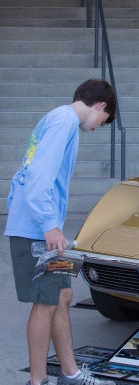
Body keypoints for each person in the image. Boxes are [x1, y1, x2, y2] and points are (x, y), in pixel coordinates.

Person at [4, 79, 117, 385]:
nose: (96, 127)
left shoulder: (57, 118)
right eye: (102, 122)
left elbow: (23, 174)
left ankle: (70, 374)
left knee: (63, 295)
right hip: (36, 230)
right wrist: (48, 226)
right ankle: (37, 382)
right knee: (46, 301)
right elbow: (39, 177)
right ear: (100, 106)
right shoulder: (64, 122)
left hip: (36, 225)